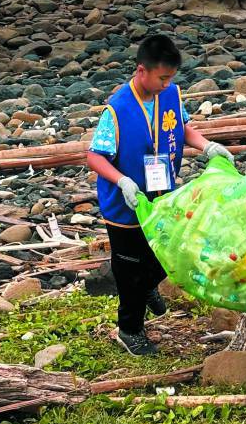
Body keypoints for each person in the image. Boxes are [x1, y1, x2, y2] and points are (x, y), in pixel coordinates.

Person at [87, 34, 233, 356]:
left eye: (171, 78)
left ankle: (149, 284)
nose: (167, 84)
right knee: (129, 271)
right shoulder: (117, 109)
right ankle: (130, 330)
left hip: (162, 195)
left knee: (168, 251)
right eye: (162, 78)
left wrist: (207, 146)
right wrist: (122, 180)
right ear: (142, 71)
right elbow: (95, 157)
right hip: (125, 206)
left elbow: (183, 128)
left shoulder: (170, 95)